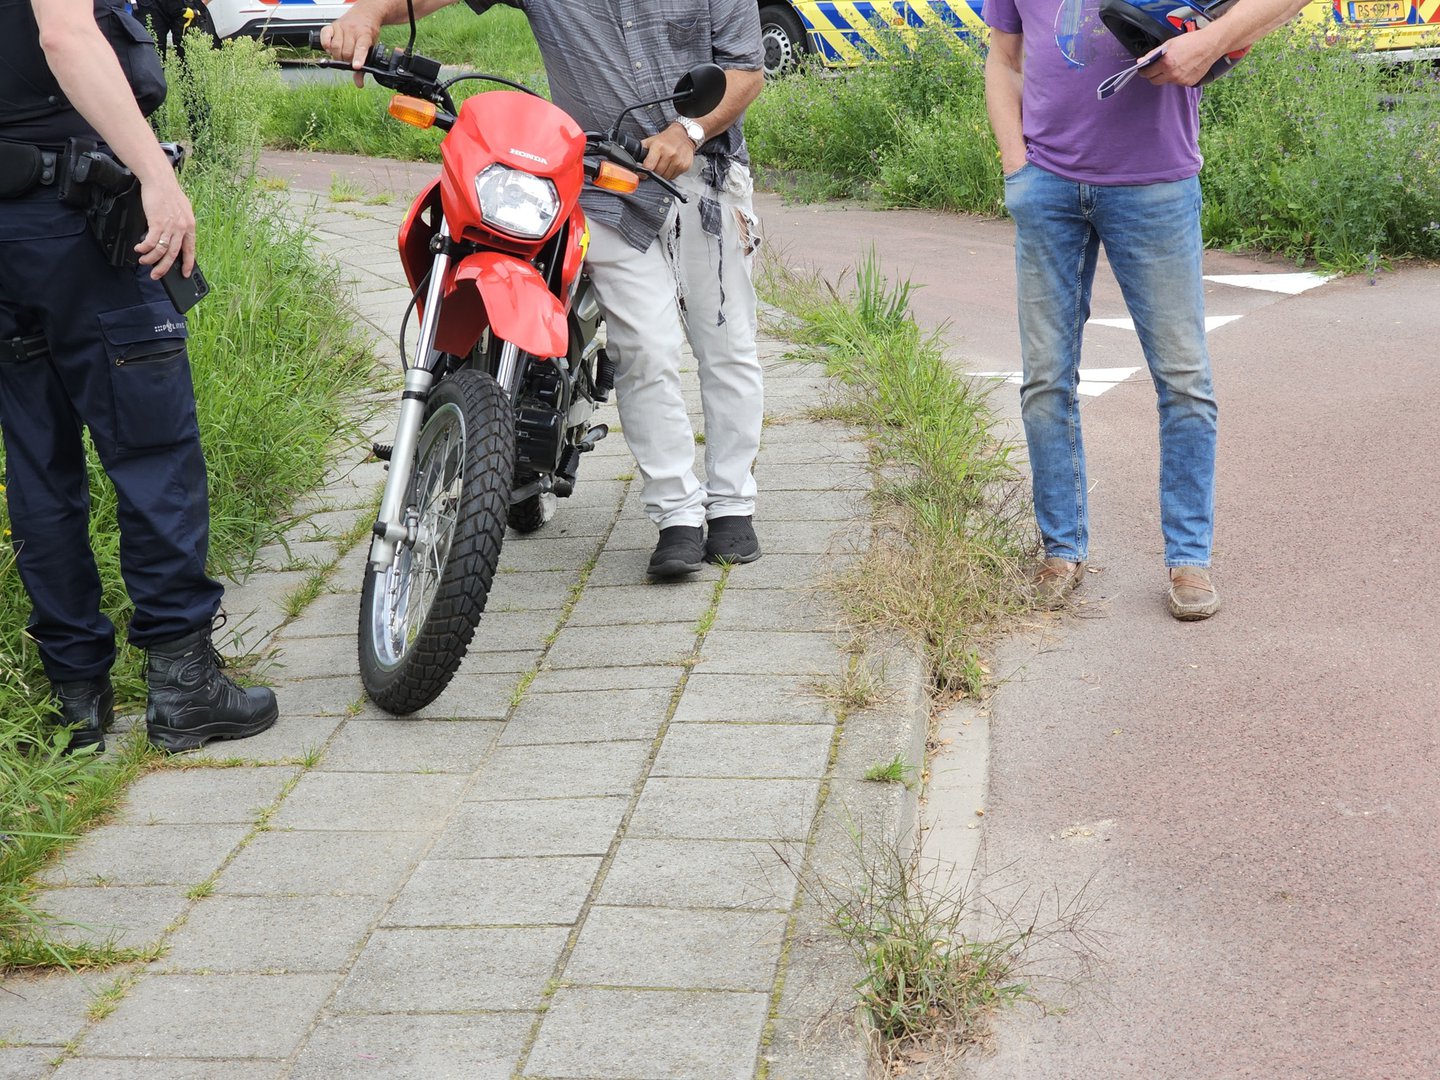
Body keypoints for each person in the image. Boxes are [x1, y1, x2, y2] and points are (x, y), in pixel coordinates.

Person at [323, 0, 767, 579]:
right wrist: (368, 13)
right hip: (606, 187)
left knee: (726, 344)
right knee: (646, 349)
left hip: (704, 178)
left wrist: (690, 129)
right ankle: (677, 514)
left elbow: (746, 71)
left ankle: (732, 502)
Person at [0, 0, 277, 751]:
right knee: (152, 449)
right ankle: (185, 687)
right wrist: (156, 174)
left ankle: (76, 705)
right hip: (74, 222)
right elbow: (63, 32)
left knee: (37, 469)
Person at [982, 0, 1310, 620]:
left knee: (1183, 380)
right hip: (1046, 187)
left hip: (1155, 186)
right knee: (1045, 380)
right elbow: (1004, 59)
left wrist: (1209, 41)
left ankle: (1188, 559)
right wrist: (1014, 166)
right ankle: (1061, 551)